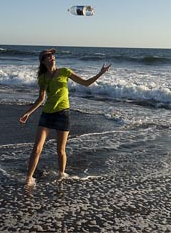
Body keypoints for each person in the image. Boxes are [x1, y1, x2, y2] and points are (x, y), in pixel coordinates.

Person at [19, 48, 111, 186]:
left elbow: (86, 83)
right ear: (43, 61)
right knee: (37, 147)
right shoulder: (42, 78)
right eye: (48, 56)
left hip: (63, 114)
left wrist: (100, 73)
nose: (52, 57)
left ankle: (61, 175)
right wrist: (28, 112)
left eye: (52, 55)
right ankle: (29, 178)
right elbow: (41, 98)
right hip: (47, 114)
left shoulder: (64, 72)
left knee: (60, 150)